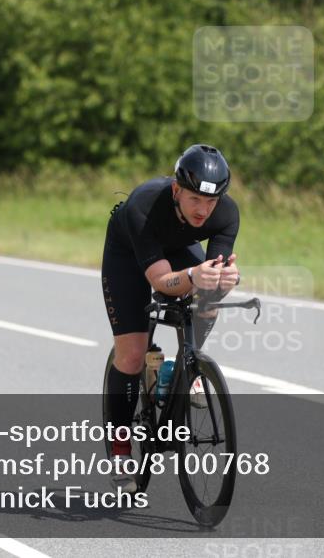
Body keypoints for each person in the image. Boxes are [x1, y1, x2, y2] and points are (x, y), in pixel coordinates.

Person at [101, 144, 241, 492]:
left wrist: (221, 279)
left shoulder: (226, 214)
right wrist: (194, 276)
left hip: (177, 250)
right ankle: (120, 448)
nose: (204, 211)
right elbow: (162, 282)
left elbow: (210, 276)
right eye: (195, 199)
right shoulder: (144, 206)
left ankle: (184, 367)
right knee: (132, 355)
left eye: (211, 202)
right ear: (177, 190)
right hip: (130, 256)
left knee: (210, 289)